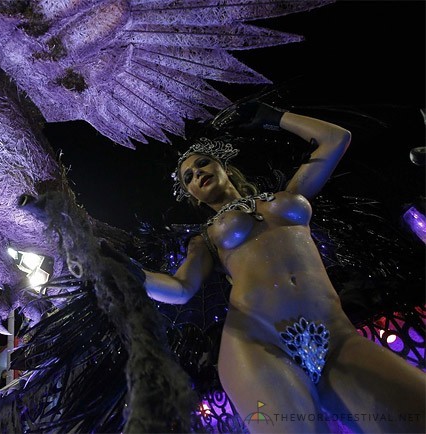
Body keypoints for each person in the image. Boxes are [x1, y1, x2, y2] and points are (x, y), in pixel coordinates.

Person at [142, 102, 426, 433]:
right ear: (191, 194)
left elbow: (336, 139)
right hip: (258, 343)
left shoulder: (288, 194)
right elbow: (179, 289)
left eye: (202, 163)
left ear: (223, 166)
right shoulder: (205, 239)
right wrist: (128, 272)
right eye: (188, 177)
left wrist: (274, 116)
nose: (197, 174)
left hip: (335, 338)